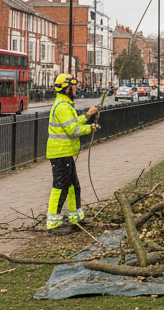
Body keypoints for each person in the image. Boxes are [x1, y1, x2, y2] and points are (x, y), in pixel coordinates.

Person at [46, 73, 100, 235]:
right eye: (74, 86)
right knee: (60, 187)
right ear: (67, 89)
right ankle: (53, 224)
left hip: (65, 153)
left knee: (72, 186)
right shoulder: (62, 107)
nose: (77, 89)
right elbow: (73, 130)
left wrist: (87, 117)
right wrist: (90, 128)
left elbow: (74, 122)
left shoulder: (65, 105)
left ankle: (76, 219)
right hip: (60, 154)